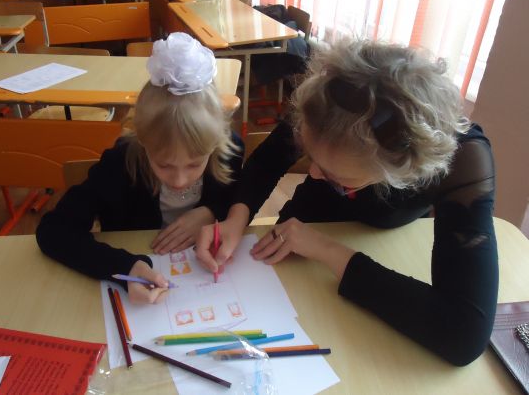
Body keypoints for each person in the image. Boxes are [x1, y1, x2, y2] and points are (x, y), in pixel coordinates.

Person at [196, 38, 497, 366]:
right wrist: (236, 219)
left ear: (396, 170)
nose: (311, 172)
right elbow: (267, 162)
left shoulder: (464, 159)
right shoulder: (331, 102)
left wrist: (327, 250)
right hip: (307, 227)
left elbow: (463, 334)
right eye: (311, 157)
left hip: (386, 245)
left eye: (333, 173)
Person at [37, 32, 243, 304]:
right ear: (143, 143)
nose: (179, 180)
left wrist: (210, 211)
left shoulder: (229, 151)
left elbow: (238, 196)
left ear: (214, 144)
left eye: (195, 164)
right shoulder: (120, 164)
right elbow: (53, 231)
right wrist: (125, 267)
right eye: (164, 165)